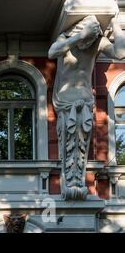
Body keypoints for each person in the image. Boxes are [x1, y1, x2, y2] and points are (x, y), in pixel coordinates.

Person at [49, 15, 125, 200]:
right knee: (68, 145)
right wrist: (80, 36)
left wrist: (115, 23)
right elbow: (52, 52)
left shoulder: (98, 42)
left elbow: (121, 53)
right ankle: (70, 182)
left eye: (93, 35)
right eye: (89, 35)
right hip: (66, 102)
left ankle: (76, 182)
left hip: (84, 102)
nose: (89, 40)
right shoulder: (66, 39)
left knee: (80, 147)